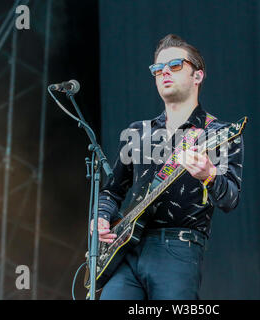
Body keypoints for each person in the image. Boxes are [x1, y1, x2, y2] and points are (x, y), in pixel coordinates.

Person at [91, 34, 244, 300]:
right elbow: (111, 191)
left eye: (174, 65)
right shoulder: (138, 132)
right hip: (126, 249)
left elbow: (230, 199)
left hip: (178, 249)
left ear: (197, 76)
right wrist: (102, 217)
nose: (164, 73)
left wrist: (209, 175)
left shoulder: (218, 132)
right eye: (157, 69)